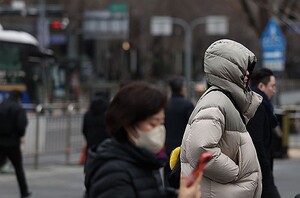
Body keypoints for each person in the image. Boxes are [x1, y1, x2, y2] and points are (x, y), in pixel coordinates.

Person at [84, 82, 202, 198]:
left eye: (162, 123)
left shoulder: (144, 158)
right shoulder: (113, 173)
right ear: (128, 124)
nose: (159, 130)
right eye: (153, 124)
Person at [180, 39, 263, 198]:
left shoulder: (225, 100)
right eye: (242, 69)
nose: (247, 75)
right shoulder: (217, 101)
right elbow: (200, 148)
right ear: (228, 70)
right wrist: (235, 173)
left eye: (248, 70)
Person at [247, 68, 281, 198]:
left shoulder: (261, 105)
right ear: (261, 86)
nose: (274, 90)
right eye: (272, 86)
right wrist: (266, 169)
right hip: (260, 171)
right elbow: (257, 141)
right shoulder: (258, 107)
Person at [0, 90, 32, 198]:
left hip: (0, 142)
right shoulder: (19, 109)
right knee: (18, 169)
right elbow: (21, 126)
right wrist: (18, 136)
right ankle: (24, 192)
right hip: (13, 142)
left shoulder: (1, 106)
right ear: (18, 98)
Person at [164, 76, 194, 187]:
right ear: (182, 88)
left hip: (167, 144)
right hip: (181, 146)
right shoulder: (187, 105)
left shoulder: (166, 104)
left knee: (167, 173)